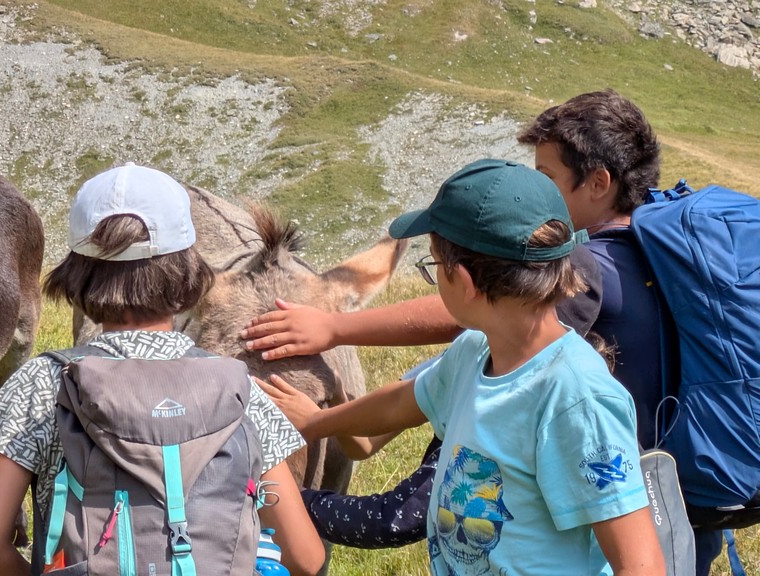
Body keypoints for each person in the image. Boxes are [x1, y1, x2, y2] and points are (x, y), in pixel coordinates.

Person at [244, 89, 723, 571]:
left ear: (465, 282)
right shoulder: (475, 351)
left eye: (433, 265)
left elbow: (641, 565)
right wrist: (315, 423)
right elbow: (399, 402)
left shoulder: (577, 400)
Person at [0, 163, 325, 576]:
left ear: (77, 273)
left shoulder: (43, 383)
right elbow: (306, 557)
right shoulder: (240, 389)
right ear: (188, 269)